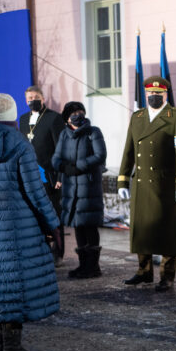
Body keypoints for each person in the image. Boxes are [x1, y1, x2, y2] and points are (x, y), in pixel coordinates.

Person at [0, 93, 62, 351]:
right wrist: (53, 225)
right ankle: (11, 349)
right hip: (17, 228)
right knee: (14, 285)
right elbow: (36, 193)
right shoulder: (19, 143)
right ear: (13, 116)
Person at [118, 76, 176, 292]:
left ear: (165, 95)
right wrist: (123, 178)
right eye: (150, 94)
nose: (154, 97)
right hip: (142, 185)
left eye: (158, 94)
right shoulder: (138, 116)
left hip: (166, 185)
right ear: (146, 94)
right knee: (143, 229)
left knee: (168, 231)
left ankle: (167, 276)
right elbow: (128, 150)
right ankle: (144, 271)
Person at [51, 102, 107, 279]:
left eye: (80, 111)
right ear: (67, 117)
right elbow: (56, 158)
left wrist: (79, 167)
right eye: (73, 112)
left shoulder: (93, 132)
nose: (77, 114)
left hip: (88, 186)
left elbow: (100, 155)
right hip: (71, 189)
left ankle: (93, 267)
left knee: (89, 225)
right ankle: (83, 265)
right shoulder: (64, 134)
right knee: (78, 226)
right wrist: (64, 167)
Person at [19, 86, 65, 266]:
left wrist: (60, 176)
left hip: (50, 176)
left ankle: (58, 252)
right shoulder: (23, 120)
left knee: (53, 214)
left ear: (43, 98)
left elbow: (60, 150)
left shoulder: (54, 118)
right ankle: (40, 251)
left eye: (35, 97)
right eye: (29, 98)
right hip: (29, 175)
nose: (32, 100)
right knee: (34, 216)